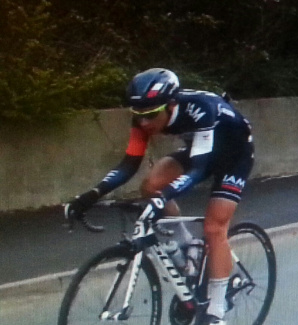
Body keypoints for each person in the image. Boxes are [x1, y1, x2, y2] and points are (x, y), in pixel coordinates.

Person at [64, 68, 254, 325]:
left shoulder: (200, 109)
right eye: (138, 116)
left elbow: (198, 170)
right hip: (201, 149)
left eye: (151, 115)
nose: (144, 123)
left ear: (171, 104)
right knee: (150, 185)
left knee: (214, 227)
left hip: (235, 155)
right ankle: (189, 249)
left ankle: (216, 312)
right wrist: (91, 195)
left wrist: (163, 198)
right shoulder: (145, 112)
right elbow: (128, 165)